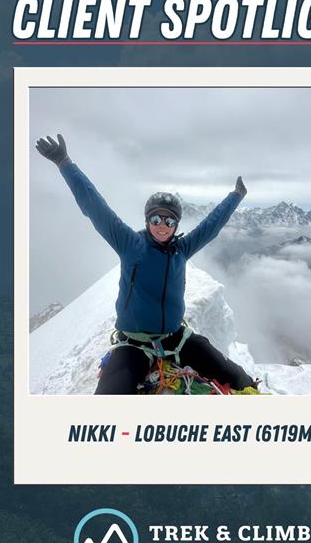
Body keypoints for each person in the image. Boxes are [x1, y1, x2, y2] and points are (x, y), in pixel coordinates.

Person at [36, 134, 256, 394]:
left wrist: (236, 196)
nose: (163, 226)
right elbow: (95, 207)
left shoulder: (181, 250)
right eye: (156, 219)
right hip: (134, 344)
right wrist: (64, 163)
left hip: (176, 338)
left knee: (238, 378)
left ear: (176, 225)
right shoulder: (130, 245)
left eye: (170, 221)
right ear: (147, 220)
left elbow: (211, 226)